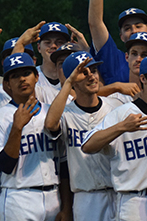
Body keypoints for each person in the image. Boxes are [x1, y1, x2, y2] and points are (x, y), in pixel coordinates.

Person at [82, 54, 147, 221]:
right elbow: (88, 145)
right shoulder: (122, 113)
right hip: (134, 201)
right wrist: (122, 127)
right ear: (143, 78)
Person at [45, 51, 122, 221]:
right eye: (83, 72)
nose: (91, 76)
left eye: (93, 70)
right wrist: (69, 82)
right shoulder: (66, 113)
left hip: (119, 193)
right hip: (86, 197)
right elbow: (50, 124)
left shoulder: (116, 105)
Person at [0, 53, 61, 220]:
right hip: (19, 199)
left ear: (36, 77)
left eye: (26, 73)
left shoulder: (51, 112)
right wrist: (17, 127)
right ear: (7, 84)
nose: (22, 79)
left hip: (54, 197)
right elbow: (6, 165)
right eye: (15, 76)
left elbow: (64, 162)